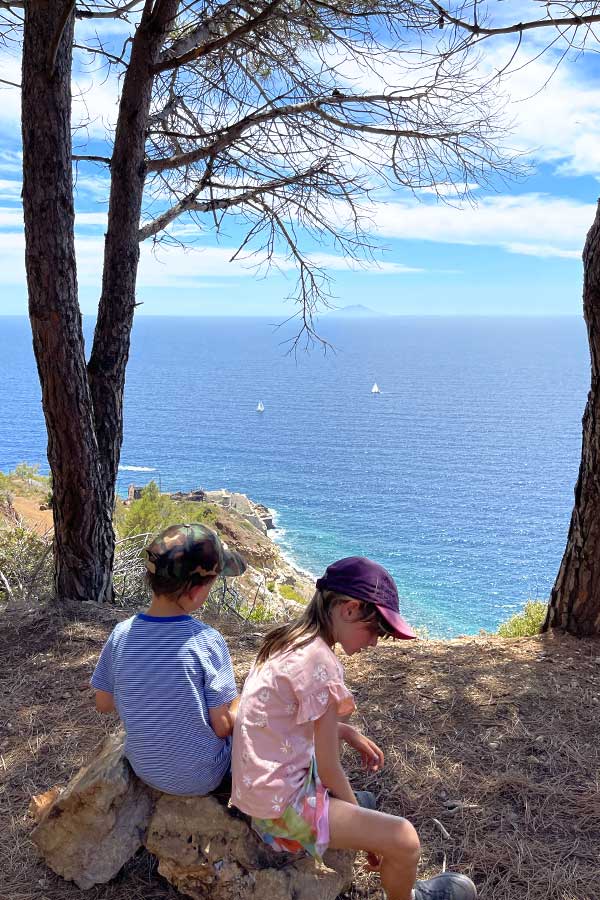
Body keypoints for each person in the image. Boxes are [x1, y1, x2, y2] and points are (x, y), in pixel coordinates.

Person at [231, 556, 477, 900]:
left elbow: (288, 724)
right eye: (375, 630)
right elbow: (329, 768)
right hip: (281, 813)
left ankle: (352, 816)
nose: (374, 642)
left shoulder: (287, 642)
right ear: (349, 609)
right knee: (403, 839)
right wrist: (368, 837)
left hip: (258, 797)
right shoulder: (320, 663)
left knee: (364, 806)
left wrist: (346, 733)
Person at [91, 523, 246, 796]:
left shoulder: (121, 633)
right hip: (202, 778)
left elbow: (103, 703)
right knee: (240, 703)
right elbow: (222, 728)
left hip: (144, 768)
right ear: (196, 591)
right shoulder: (207, 640)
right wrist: (241, 703)